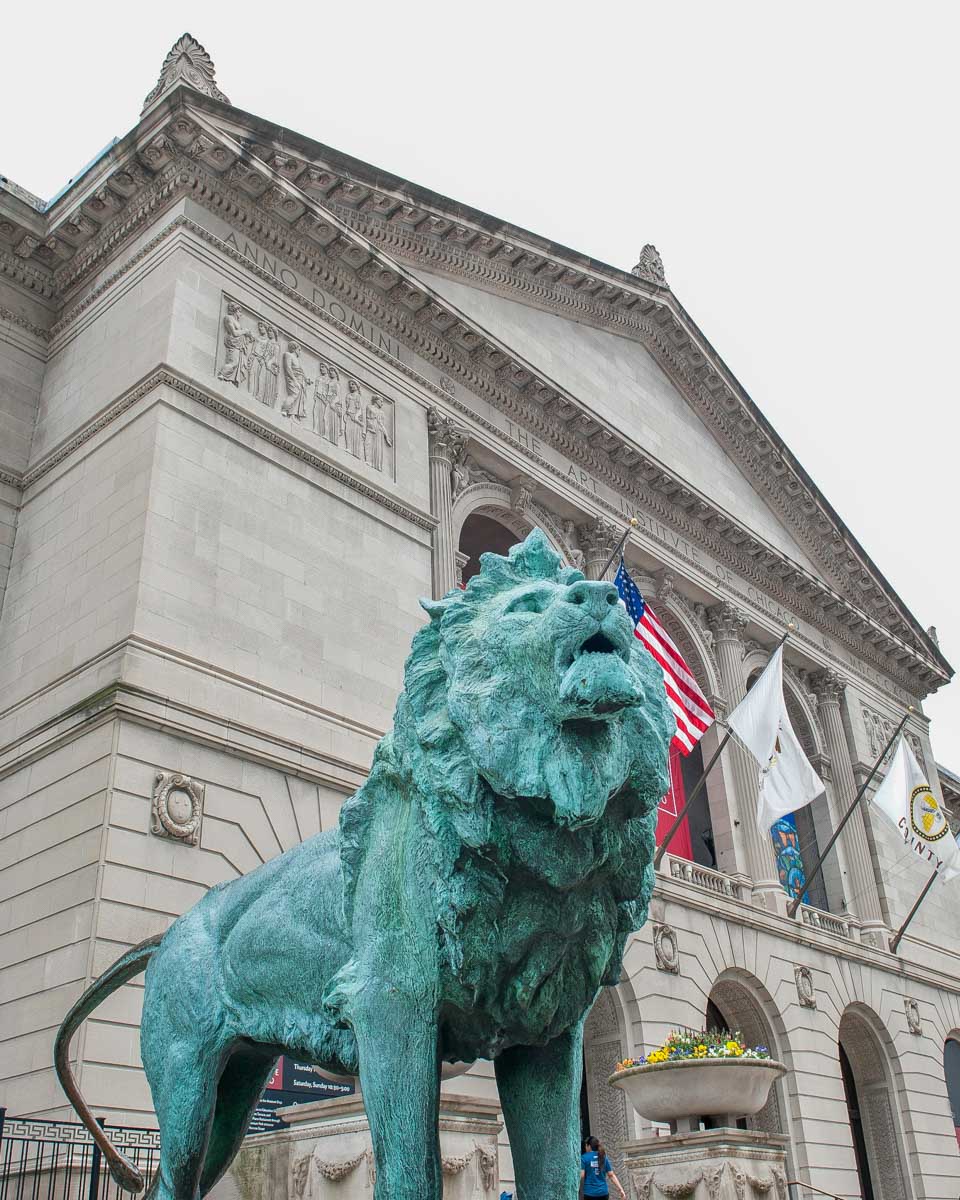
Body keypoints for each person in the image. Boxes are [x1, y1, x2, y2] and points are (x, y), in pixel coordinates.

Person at [580, 1136, 626, 1200]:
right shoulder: (603, 1157)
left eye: (586, 1146)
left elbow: (581, 1175)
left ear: (589, 1146)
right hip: (603, 1193)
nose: (585, 1148)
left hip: (589, 1193)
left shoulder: (584, 1157)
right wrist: (621, 1189)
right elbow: (611, 1175)